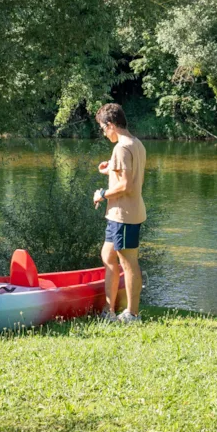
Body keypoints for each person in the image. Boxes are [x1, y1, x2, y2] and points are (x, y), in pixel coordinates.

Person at [92, 103, 146, 323]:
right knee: (108, 256)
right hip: (118, 215)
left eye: (103, 129)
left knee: (128, 262)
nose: (104, 133)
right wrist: (110, 169)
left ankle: (132, 314)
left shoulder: (121, 148)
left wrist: (102, 194)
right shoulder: (136, 143)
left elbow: (126, 186)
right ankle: (109, 310)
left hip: (125, 215)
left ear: (111, 125)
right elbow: (129, 175)